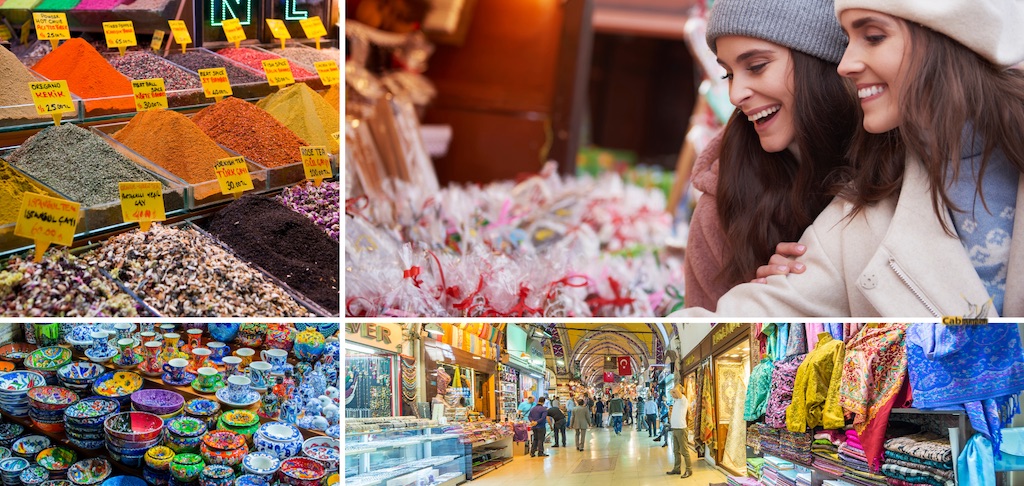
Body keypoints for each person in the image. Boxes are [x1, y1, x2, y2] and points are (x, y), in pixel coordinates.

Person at [674, 1, 1024, 318]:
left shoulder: (883, 169)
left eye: (871, 37)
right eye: (728, 74)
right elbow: (720, 325)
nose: (845, 62)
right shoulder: (859, 212)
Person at [683, 0, 859, 311]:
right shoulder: (722, 204)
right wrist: (759, 303)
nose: (736, 95)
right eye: (729, 74)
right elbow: (704, 327)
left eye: (756, 66)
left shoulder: (899, 165)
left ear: (821, 59)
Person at [666, 385, 693, 478]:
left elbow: (675, 391)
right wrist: (673, 390)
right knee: (676, 450)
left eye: (675, 392)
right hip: (675, 428)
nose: (673, 394)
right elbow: (671, 391)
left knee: (684, 451)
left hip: (681, 429)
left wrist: (677, 388)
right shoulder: (677, 401)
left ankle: (689, 470)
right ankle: (677, 468)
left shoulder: (683, 400)